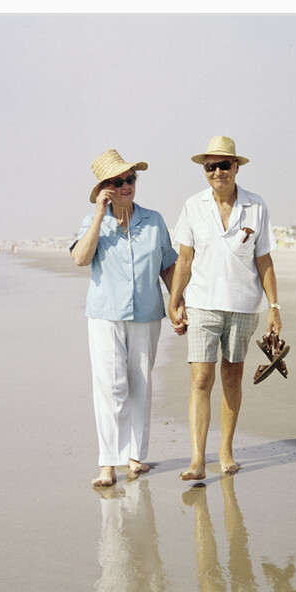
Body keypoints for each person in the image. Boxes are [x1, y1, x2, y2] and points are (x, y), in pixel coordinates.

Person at [168, 135, 282, 481]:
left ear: (236, 167)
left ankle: (226, 451)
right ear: (205, 170)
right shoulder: (193, 205)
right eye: (211, 166)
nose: (218, 172)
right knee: (201, 377)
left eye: (224, 165)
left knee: (232, 376)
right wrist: (174, 301)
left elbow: (264, 260)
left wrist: (274, 306)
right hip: (202, 303)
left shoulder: (256, 206)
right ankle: (197, 460)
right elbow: (184, 260)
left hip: (243, 305)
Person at [71, 149, 179, 488]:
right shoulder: (93, 222)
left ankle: (135, 456)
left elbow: (169, 266)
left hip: (147, 313)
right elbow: (80, 258)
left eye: (130, 179)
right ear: (105, 188)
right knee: (111, 386)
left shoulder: (154, 221)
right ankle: (108, 463)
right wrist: (99, 214)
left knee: (140, 385)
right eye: (117, 182)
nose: (126, 186)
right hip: (105, 315)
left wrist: (178, 303)